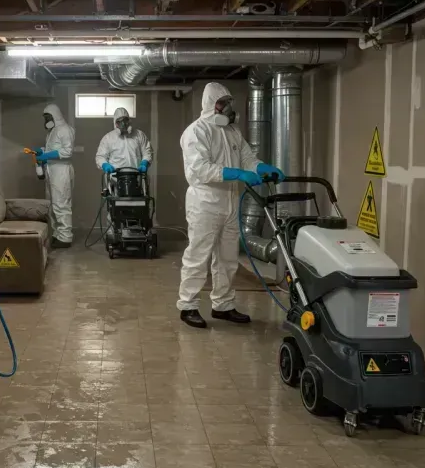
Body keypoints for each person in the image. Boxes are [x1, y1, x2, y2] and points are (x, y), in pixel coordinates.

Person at [177, 82, 284, 329]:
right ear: (211, 104)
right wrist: (236, 173)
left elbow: (247, 158)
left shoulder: (233, 132)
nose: (227, 108)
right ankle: (188, 305)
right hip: (204, 202)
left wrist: (260, 168)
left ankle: (222, 305)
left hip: (230, 201)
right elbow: (200, 169)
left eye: (229, 102)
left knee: (227, 258)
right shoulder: (196, 131)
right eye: (222, 102)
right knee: (198, 255)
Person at [32, 104, 75, 248]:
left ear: (55, 116)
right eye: (45, 118)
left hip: (61, 171)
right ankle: (58, 234)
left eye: (48, 117)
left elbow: (67, 151)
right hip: (52, 170)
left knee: (61, 203)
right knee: (52, 204)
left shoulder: (64, 130)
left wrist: (46, 155)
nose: (46, 121)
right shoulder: (51, 131)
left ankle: (65, 237)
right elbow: (53, 148)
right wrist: (41, 152)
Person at [95, 107, 153, 175]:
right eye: (119, 121)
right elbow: (100, 156)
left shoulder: (139, 135)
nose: (123, 124)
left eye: (125, 120)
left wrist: (144, 163)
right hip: (116, 178)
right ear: (115, 123)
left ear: (129, 121)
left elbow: (147, 151)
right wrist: (104, 164)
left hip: (136, 176)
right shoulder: (108, 138)